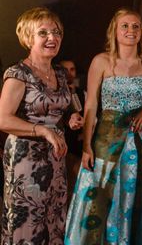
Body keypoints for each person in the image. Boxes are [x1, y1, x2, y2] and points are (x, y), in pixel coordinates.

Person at [65, 8, 142, 244]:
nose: (130, 31)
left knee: (134, 195)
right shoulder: (101, 61)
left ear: (141, 32)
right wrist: (86, 146)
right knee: (100, 195)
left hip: (138, 143)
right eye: (124, 26)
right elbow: (91, 105)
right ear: (114, 31)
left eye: (136, 26)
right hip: (105, 140)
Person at [0, 7, 82, 244]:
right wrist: (43, 130)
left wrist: (70, 120)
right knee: (28, 223)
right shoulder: (18, 74)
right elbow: (4, 119)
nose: (51, 38)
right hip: (26, 160)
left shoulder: (59, 72)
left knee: (53, 219)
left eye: (56, 32)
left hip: (56, 158)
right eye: (43, 33)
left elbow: (59, 111)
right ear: (28, 37)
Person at [58, 58, 85, 195]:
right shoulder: (56, 92)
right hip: (63, 142)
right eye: (65, 70)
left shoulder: (81, 92)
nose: (69, 73)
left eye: (72, 69)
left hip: (80, 144)